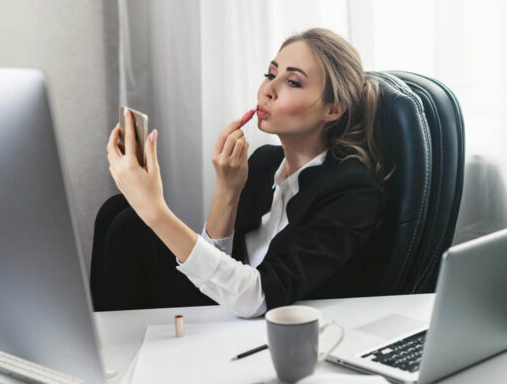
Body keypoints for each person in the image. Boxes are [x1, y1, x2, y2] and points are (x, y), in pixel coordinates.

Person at [91, 28, 390, 318]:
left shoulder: (352, 192)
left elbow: (259, 297)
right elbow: (223, 264)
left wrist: (154, 209)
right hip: (229, 306)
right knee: (116, 212)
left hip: (265, 324)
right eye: (271, 75)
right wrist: (228, 189)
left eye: (293, 82)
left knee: (132, 222)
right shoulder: (264, 162)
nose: (268, 90)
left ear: (334, 109)